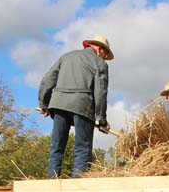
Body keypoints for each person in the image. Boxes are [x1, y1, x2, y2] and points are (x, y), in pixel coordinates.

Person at [38, 36, 113, 178]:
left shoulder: (66, 57)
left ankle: (52, 181)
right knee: (82, 149)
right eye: (105, 54)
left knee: (56, 147)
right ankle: (78, 186)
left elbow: (47, 80)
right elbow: (101, 92)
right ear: (100, 49)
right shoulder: (100, 63)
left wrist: (44, 104)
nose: (104, 57)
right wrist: (101, 119)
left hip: (59, 104)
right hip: (83, 106)